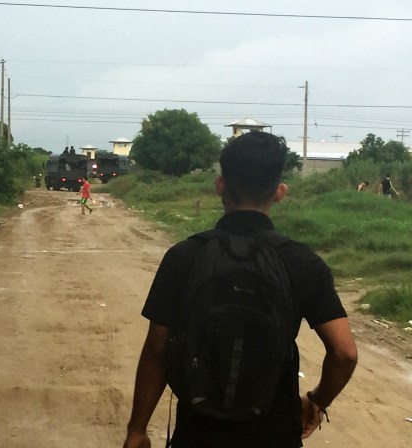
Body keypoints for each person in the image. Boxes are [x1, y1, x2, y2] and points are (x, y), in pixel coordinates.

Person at [123, 132, 357, 448]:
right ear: (280, 192)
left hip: (197, 435)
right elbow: (344, 354)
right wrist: (316, 401)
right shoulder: (301, 262)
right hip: (274, 436)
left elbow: (157, 351)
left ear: (221, 185)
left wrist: (137, 430)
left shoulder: (185, 257)